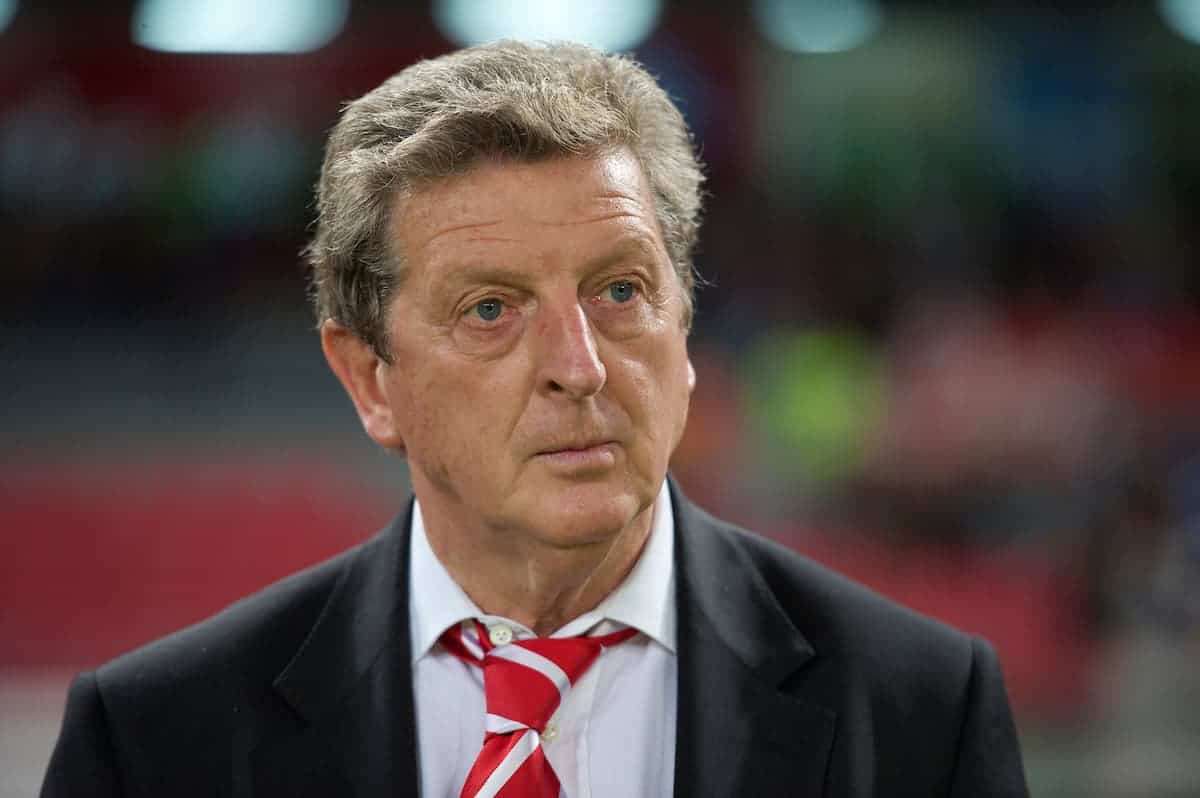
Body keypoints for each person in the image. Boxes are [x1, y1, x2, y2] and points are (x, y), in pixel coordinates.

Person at [41, 41, 1029, 797]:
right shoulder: (151, 745)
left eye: (621, 291)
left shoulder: (922, 714)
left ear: (686, 334)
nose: (579, 366)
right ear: (370, 381)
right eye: (489, 310)